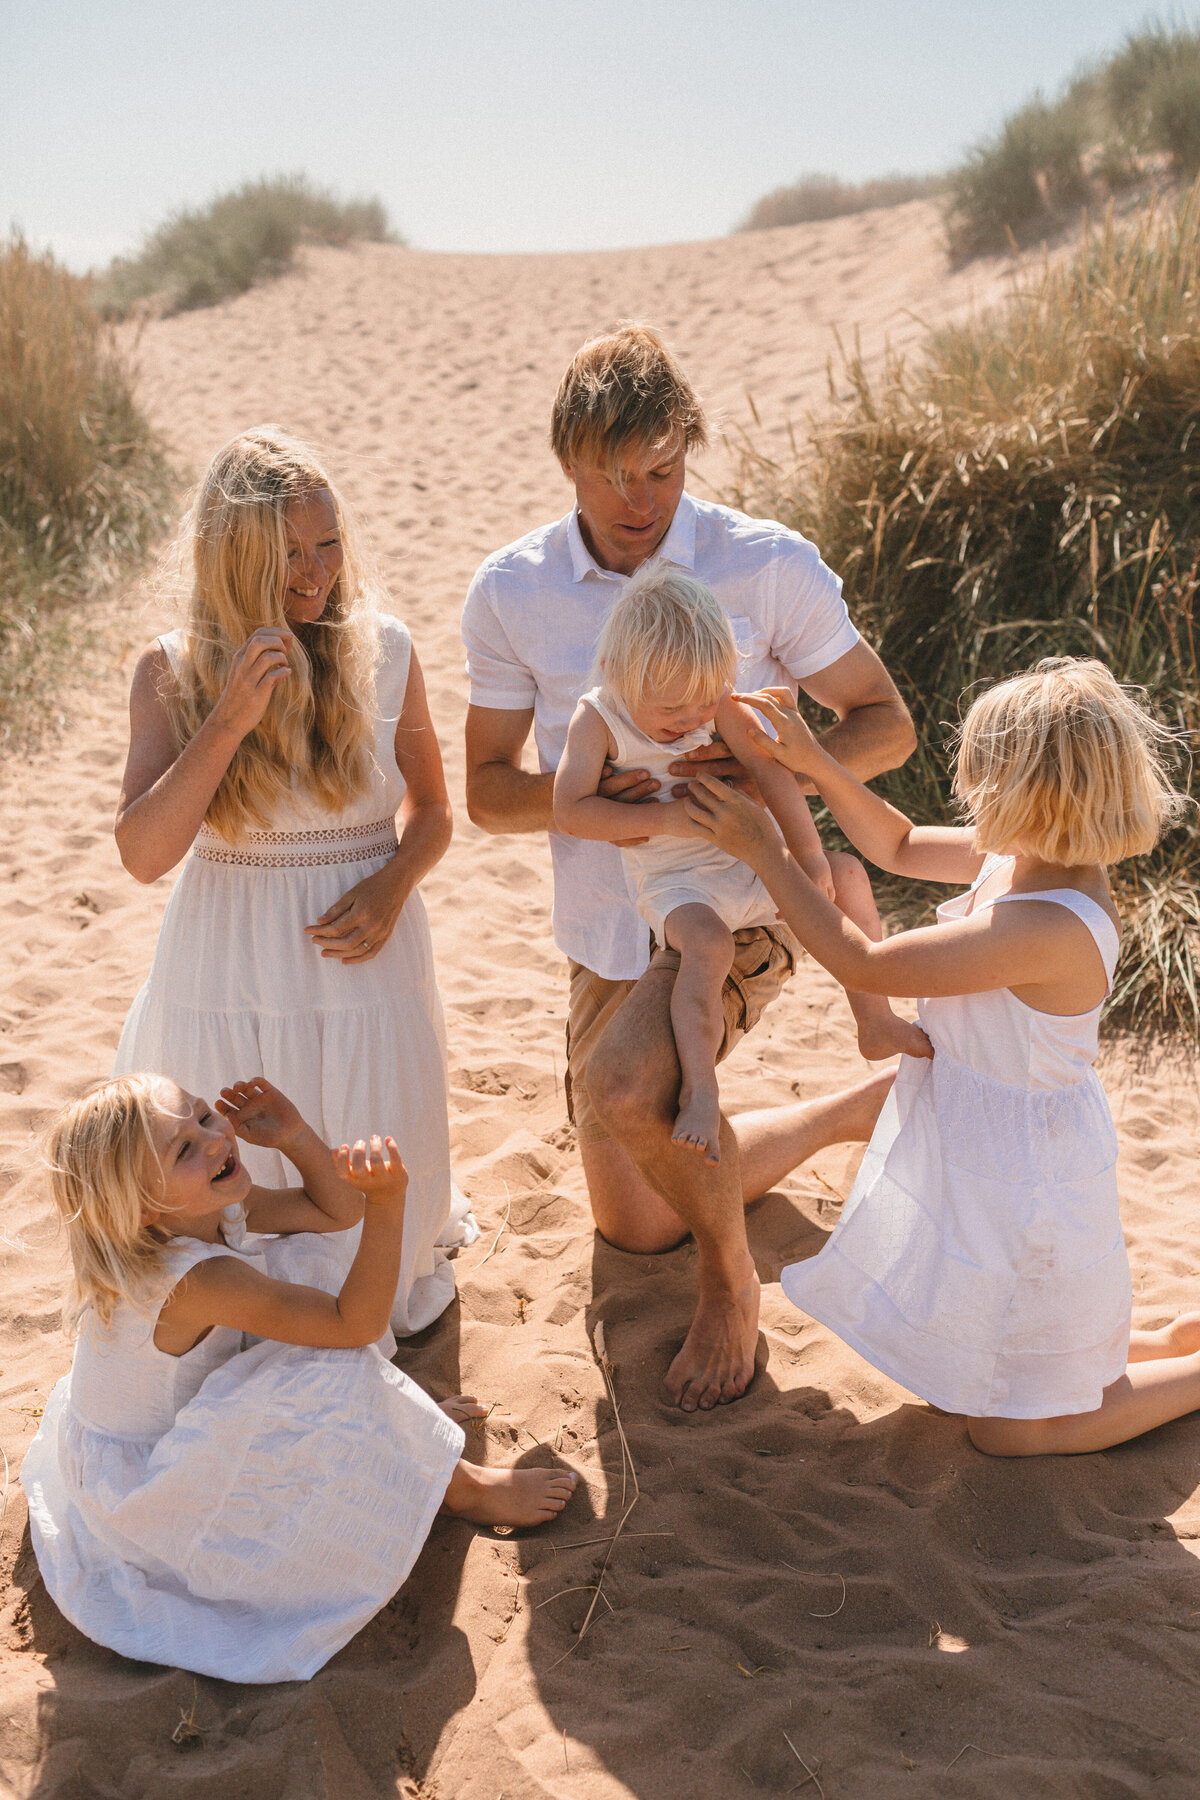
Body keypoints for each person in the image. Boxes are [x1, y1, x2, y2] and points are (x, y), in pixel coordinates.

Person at [462, 322, 915, 1412]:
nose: (639, 498)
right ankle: (848, 1114)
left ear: (689, 453)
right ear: (567, 462)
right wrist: (614, 803)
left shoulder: (764, 564)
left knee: (628, 1087)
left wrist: (779, 765)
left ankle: (731, 1281)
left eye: (662, 470)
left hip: (750, 894)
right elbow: (486, 787)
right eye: (612, 475)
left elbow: (886, 724)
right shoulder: (511, 590)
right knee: (635, 1220)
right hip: (613, 917)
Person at [685, 658, 1200, 1455]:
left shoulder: (1050, 922)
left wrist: (768, 854)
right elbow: (894, 841)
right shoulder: (1023, 858)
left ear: (1027, 792)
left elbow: (865, 964)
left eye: (983, 777)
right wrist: (812, 762)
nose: (970, 791)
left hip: (1027, 1176)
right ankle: (1164, 1346)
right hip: (986, 1150)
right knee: (1006, 1360)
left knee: (1006, 1433)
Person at [21, 1074, 577, 1684]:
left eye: (204, 1118)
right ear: (146, 1206)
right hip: (151, 1492)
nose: (213, 1141)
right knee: (326, 1364)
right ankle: (460, 1487)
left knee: (308, 1260)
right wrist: (391, 1203)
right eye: (183, 1149)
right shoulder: (196, 1280)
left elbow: (332, 1212)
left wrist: (295, 1136)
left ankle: (397, 1434)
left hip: (152, 1427)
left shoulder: (189, 1215)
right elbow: (355, 1324)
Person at [114, 427, 473, 1337]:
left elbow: (434, 813)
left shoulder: (384, 650)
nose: (315, 574)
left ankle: (361, 1310)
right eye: (287, 557)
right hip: (226, 966)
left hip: (366, 963)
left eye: (328, 544)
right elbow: (144, 853)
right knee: (226, 1192)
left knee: (367, 1171)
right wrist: (228, 718)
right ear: (233, 563)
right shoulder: (172, 668)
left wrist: (392, 885)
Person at [554, 566, 929, 1163]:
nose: (693, 719)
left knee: (851, 877)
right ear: (618, 676)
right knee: (706, 947)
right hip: (675, 882)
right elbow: (572, 811)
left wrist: (808, 858)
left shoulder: (716, 705)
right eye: (674, 710)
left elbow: (772, 777)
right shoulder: (598, 719)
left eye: (708, 699)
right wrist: (667, 820)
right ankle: (702, 1087)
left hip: (751, 860)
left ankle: (874, 1020)